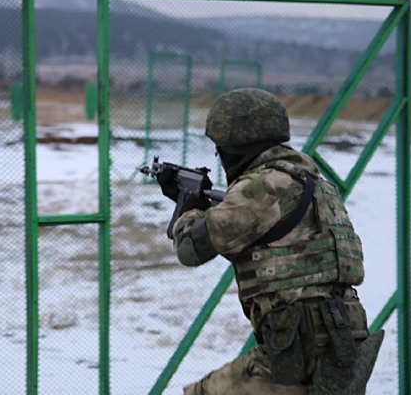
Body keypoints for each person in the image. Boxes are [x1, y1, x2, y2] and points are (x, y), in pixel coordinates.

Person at [157, 88, 384, 394]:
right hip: (343, 347)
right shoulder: (316, 185)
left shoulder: (259, 187)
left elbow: (188, 250)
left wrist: (189, 208)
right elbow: (274, 254)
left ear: (233, 144)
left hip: (298, 352)